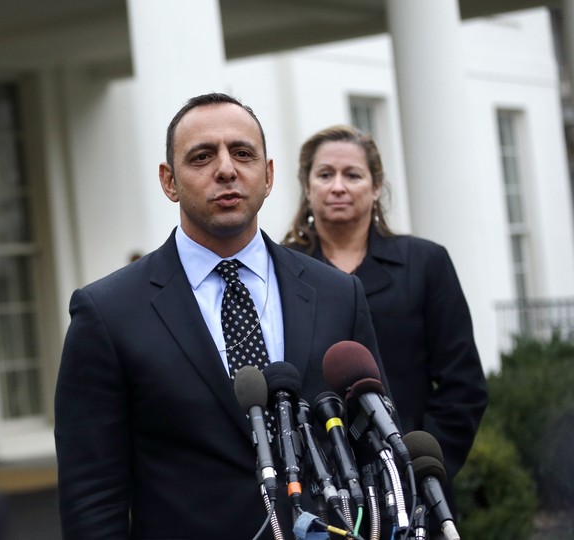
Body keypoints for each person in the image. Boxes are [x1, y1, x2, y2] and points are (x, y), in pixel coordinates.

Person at [54, 93, 391, 539]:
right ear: (169, 181)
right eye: (201, 157)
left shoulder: (337, 294)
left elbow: (376, 453)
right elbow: (92, 493)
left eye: (243, 153)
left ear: (268, 176)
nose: (227, 169)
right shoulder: (108, 313)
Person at [281, 125, 488, 510]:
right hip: (316, 491)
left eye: (353, 175)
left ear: (376, 187)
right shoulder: (280, 270)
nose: (338, 186)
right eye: (325, 175)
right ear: (307, 188)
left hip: (413, 487)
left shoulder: (426, 263)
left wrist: (421, 466)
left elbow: (464, 385)